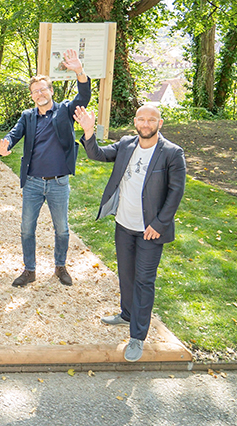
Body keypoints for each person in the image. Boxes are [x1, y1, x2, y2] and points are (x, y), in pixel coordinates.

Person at [75, 104, 186, 362]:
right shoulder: (126, 144)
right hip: (124, 225)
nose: (146, 124)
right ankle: (127, 314)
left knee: (144, 281)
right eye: (141, 119)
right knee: (125, 274)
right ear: (135, 121)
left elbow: (175, 193)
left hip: (150, 230)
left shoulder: (172, 153)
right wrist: (89, 132)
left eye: (151, 120)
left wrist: (158, 224)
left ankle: (137, 335)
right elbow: (97, 155)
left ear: (160, 123)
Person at [0, 49, 90, 288]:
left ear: (51, 91)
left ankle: (60, 267)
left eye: (42, 89)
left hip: (59, 182)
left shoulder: (66, 110)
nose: (39, 93)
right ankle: (30, 270)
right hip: (34, 183)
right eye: (34, 91)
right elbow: (13, 135)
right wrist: (4, 146)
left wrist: (79, 71)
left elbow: (84, 97)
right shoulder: (28, 116)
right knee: (27, 228)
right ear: (32, 96)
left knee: (62, 230)